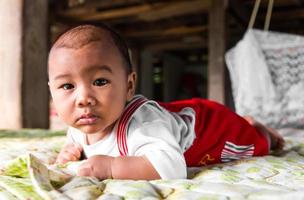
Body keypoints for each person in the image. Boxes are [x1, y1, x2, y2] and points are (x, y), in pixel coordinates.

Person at [48, 24, 284, 180]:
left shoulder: (142, 127)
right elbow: (74, 139)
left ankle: (261, 130)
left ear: (129, 86)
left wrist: (111, 168)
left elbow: (171, 168)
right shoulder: (80, 125)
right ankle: (245, 121)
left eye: (100, 82)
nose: (83, 99)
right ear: (52, 91)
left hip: (212, 129)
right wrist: (70, 150)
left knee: (254, 144)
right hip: (175, 116)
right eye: (67, 86)